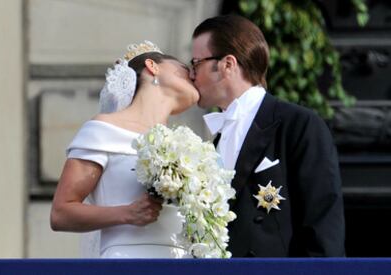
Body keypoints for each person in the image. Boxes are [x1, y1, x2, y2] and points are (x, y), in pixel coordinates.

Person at [190, 15, 345, 257]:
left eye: (196, 63)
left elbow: (323, 225)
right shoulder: (218, 137)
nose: (191, 75)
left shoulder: (299, 124)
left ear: (227, 65)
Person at [50, 41, 199, 258]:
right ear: (152, 66)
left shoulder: (188, 147)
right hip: (127, 262)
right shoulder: (103, 130)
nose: (193, 75)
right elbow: (61, 212)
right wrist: (126, 214)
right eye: (185, 68)